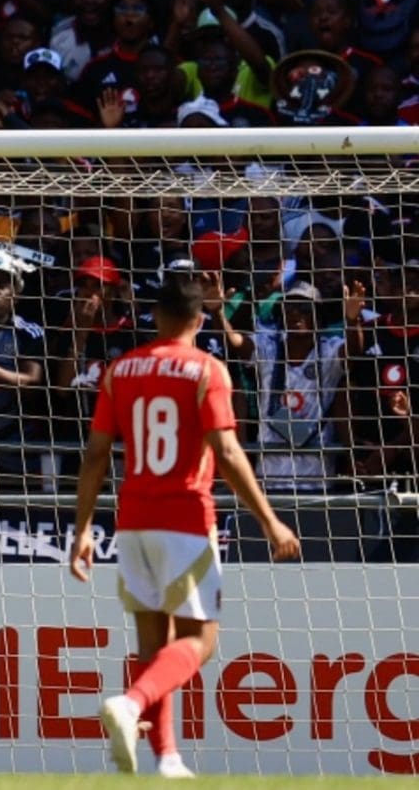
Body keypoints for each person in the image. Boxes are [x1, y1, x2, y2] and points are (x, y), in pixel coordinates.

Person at [69, 269, 302, 777]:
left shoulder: (119, 370)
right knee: (201, 640)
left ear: (155, 315)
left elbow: (95, 455)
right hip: (186, 519)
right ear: (199, 319)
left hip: (133, 521)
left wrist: (83, 528)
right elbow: (228, 452)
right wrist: (270, 521)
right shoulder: (206, 370)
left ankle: (167, 758)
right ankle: (131, 704)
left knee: (155, 646)